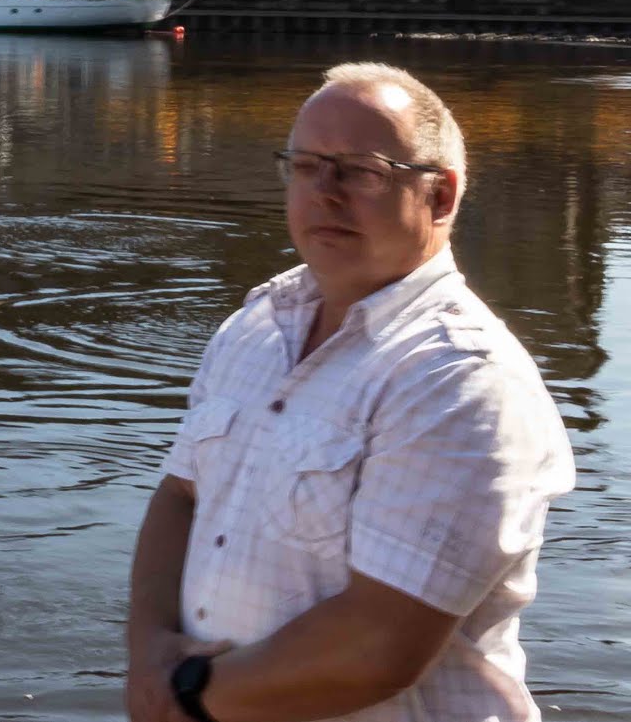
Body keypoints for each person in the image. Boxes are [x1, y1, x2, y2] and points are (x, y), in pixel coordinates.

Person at [126, 63, 573, 722]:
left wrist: (186, 695)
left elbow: (380, 643)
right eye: (306, 166)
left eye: (360, 170)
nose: (324, 192)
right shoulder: (256, 325)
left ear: (440, 197)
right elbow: (180, 495)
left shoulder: (460, 379)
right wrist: (148, 651)